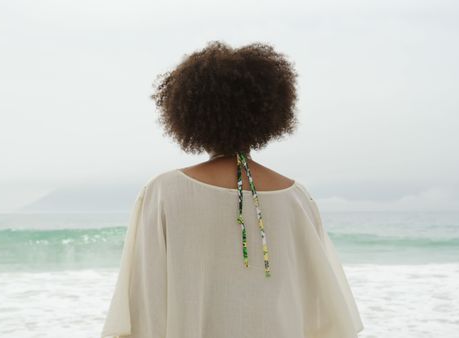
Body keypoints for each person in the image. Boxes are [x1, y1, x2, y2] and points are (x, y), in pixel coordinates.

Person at [101, 40, 364, 338]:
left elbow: (145, 303)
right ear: (269, 112)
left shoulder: (163, 192)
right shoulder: (297, 197)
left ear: (188, 114)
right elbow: (319, 309)